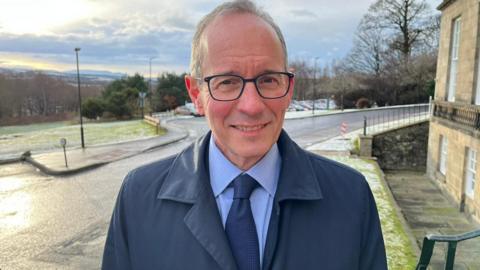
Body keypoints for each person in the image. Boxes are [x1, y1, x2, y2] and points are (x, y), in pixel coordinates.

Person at [102, 1, 387, 269]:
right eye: (227, 82)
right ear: (195, 94)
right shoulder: (138, 198)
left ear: (288, 89)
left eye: (268, 80)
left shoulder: (351, 198)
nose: (251, 106)